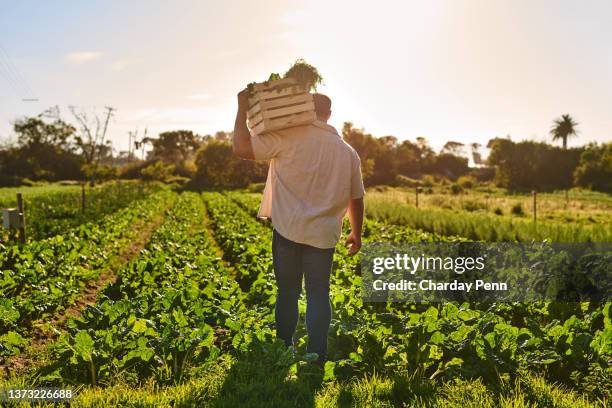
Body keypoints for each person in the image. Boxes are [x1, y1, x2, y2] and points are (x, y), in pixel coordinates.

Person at [232, 89, 365, 363]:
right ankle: (317, 355)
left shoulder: (287, 136)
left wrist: (242, 109)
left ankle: (283, 348)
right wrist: (356, 233)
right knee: (318, 293)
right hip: (323, 235)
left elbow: (241, 148)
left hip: (287, 230)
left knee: (288, 291)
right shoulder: (347, 152)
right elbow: (356, 197)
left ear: (301, 109)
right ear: (328, 115)